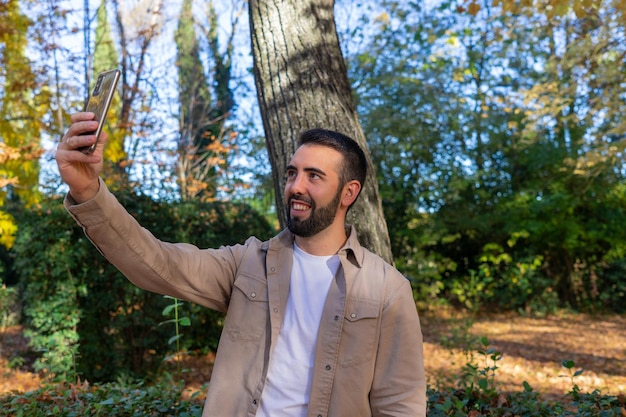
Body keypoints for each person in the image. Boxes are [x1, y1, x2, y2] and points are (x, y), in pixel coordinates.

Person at [56, 112, 426, 417]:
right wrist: (88, 192)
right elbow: (158, 263)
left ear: (349, 192)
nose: (296, 186)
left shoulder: (387, 290)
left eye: (314, 176)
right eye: (292, 173)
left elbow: (400, 405)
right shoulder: (249, 263)